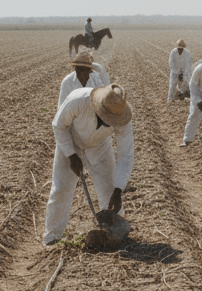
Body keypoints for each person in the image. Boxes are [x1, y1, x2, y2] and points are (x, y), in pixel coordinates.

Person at [42, 84, 134, 246]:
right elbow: (59, 125)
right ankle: (51, 238)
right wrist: (71, 155)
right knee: (61, 189)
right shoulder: (78, 100)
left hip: (100, 147)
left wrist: (119, 189)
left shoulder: (122, 117)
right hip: (70, 141)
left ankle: (115, 235)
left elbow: (125, 154)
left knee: (109, 192)